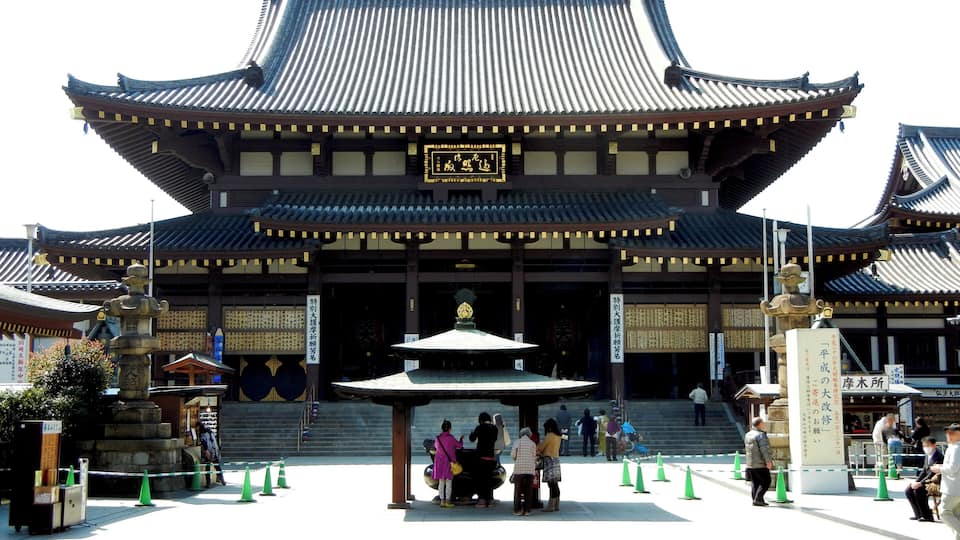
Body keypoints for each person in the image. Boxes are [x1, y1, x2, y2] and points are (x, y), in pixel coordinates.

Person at [905, 436, 943, 522]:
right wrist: (916, 481)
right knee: (908, 490)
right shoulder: (928, 456)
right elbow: (924, 471)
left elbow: (933, 474)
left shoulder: (939, 456)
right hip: (927, 481)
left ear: (934, 445)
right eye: (924, 446)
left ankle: (927, 516)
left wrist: (920, 483)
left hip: (935, 482)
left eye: (927, 445)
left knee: (919, 490)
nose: (925, 448)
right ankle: (918, 514)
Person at [933, 424, 960, 537]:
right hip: (955, 487)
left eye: (952, 433)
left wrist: (939, 468)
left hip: (952, 488)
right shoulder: (954, 447)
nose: (948, 435)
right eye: (948, 432)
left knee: (944, 512)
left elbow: (953, 468)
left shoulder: (956, 448)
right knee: (956, 515)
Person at [469, 412, 499, 508]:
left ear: (480, 419)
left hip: (481, 458)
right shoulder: (494, 428)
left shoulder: (479, 427)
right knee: (489, 479)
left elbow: (472, 439)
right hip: (491, 458)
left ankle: (482, 500)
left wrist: (471, 434)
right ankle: (490, 500)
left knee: (481, 480)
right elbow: (494, 440)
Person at [433, 419, 463, 509]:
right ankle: (448, 501)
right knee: (449, 482)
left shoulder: (437, 438)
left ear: (442, 428)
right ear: (450, 428)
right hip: (449, 463)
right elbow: (459, 446)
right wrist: (461, 440)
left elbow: (436, 447)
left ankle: (442, 501)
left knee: (441, 482)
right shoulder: (451, 438)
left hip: (439, 462)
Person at [744, 416, 773, 506]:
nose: (764, 424)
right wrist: (768, 461)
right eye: (763, 422)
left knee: (755, 482)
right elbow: (764, 449)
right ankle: (758, 498)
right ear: (760, 424)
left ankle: (755, 499)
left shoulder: (748, 434)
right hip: (760, 463)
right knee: (766, 481)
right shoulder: (760, 435)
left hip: (750, 463)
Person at [511, 427, 537, 516]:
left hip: (519, 469)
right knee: (528, 491)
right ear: (529, 435)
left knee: (518, 491)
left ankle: (517, 510)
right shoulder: (532, 443)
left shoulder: (517, 442)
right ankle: (527, 510)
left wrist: (517, 459)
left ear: (521, 434)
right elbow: (534, 457)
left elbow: (513, 455)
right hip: (530, 469)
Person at [538, 418, 563, 512]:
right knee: (555, 484)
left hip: (549, 460)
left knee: (551, 484)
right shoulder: (558, 436)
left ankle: (550, 506)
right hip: (556, 460)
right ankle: (556, 504)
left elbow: (541, 447)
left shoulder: (549, 435)